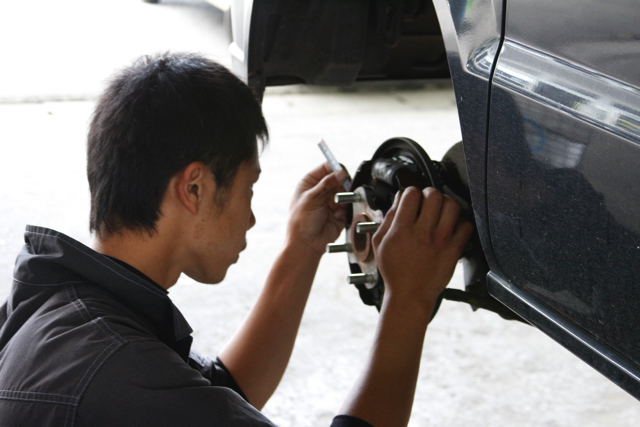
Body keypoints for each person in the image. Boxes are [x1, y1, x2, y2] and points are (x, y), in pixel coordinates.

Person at [0, 52, 472, 427]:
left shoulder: (59, 304)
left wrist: (301, 248)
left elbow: (222, 393)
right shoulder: (122, 377)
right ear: (195, 189)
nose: (250, 218)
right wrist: (407, 302)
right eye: (249, 190)